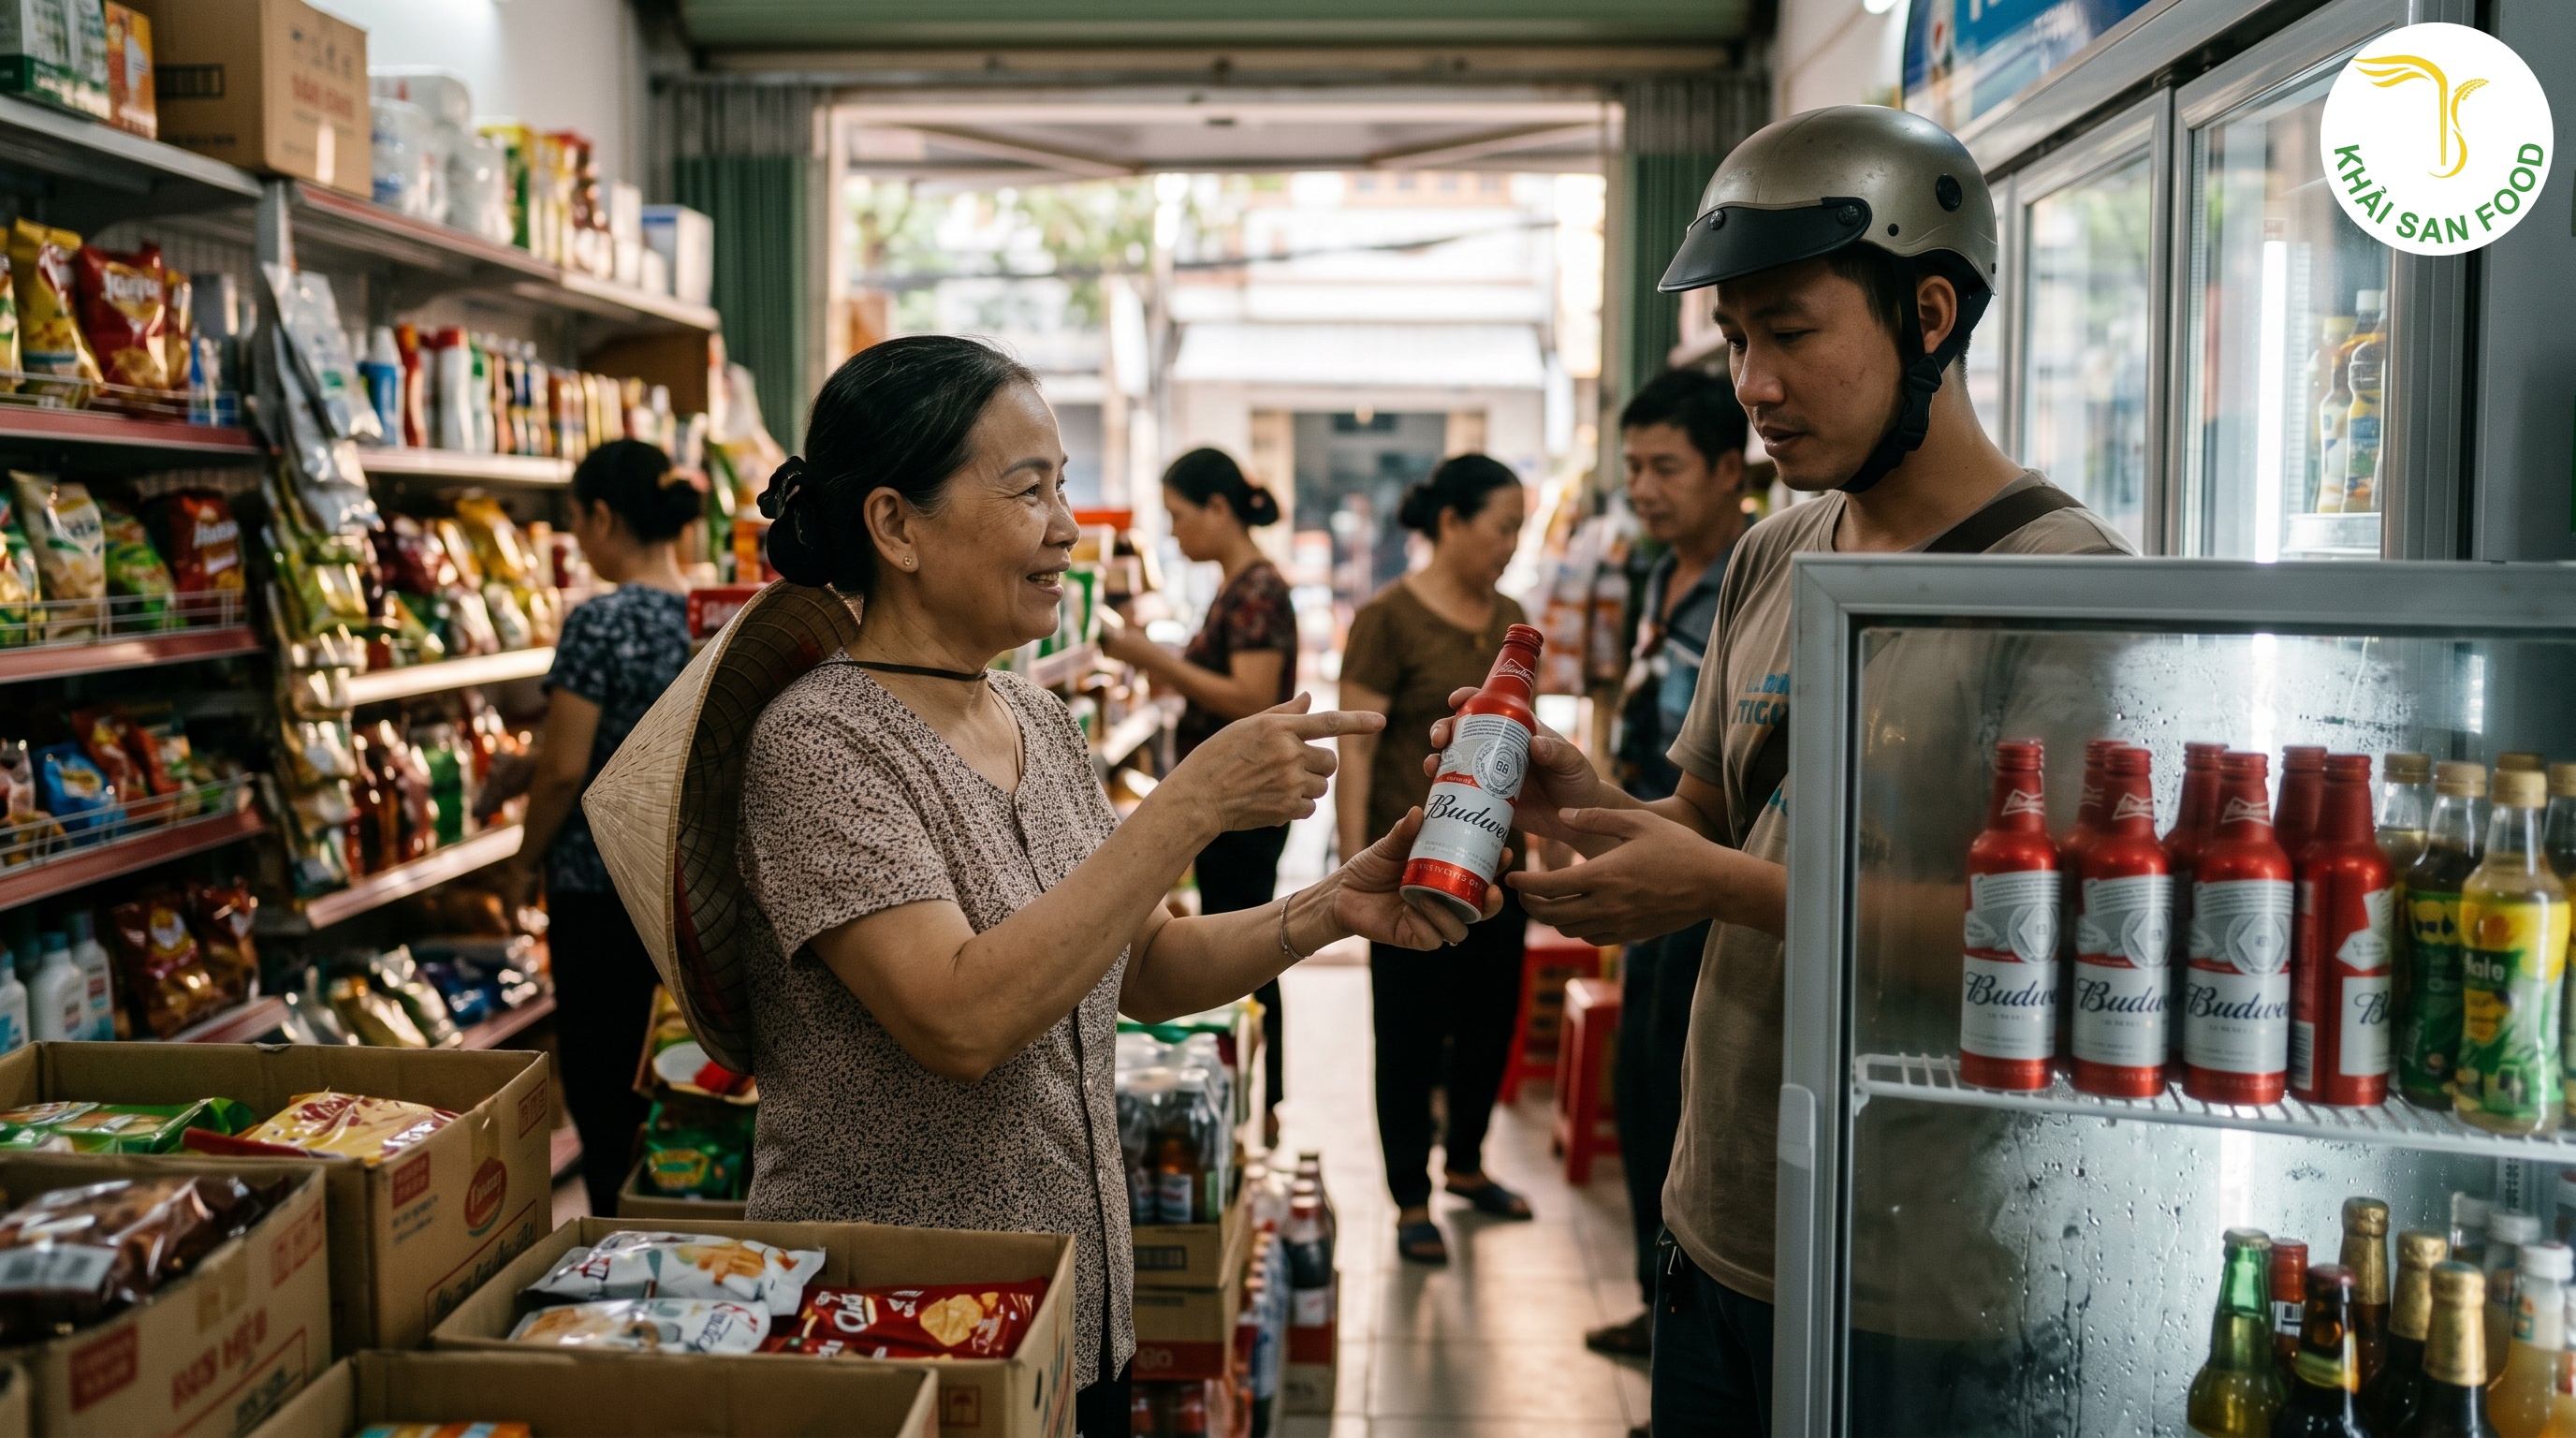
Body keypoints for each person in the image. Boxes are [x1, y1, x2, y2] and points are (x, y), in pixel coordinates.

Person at [1422, 108, 2134, 1437]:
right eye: (1738, 340)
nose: (1752, 384)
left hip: (1925, 1276)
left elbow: (2059, 941)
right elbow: (1712, 817)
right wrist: (1589, 805)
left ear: (1930, 315)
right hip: (1722, 1218)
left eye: (1791, 333)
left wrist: (1720, 889)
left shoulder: (2065, 589)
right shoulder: (1776, 553)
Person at [729, 335, 1498, 1437]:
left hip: (1073, 1314)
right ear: (895, 525)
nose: (1065, 528)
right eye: (1026, 490)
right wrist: (1186, 807)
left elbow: (1143, 963)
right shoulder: (820, 745)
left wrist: (1328, 908)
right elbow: (957, 1019)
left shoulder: (1034, 717)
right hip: (901, 1333)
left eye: (1062, 487)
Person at [1583, 367, 1748, 1361]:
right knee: (1643, 1083)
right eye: (1633, 467)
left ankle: (1688, 1323)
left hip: (1718, 874)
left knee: (1688, 1092)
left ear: (1730, 469)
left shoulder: (1755, 576)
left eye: (1666, 468)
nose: (1643, 489)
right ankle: (1660, 1305)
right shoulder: (1655, 575)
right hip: (1647, 841)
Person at [1335, 452, 1535, 1267]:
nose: (1511, 545)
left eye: (1519, 530)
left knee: (1490, 1020)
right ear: (1450, 522)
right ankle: (1411, 1197)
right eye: (1502, 527)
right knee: (1410, 1034)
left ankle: (1467, 1165)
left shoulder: (1513, 619)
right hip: (1411, 873)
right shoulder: (1387, 618)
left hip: (1500, 867)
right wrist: (1354, 859)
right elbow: (1357, 748)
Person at [500, 439, 701, 1218]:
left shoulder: (598, 623)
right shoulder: (711, 618)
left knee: (606, 1081)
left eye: (577, 521)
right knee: (682, 1076)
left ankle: (618, 1241)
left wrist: (523, 862)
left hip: (599, 891)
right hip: (689, 889)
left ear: (605, 518)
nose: (579, 538)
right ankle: (688, 1214)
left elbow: (565, 770)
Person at [1101, 447, 1298, 1144]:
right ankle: (1252, 1097)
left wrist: (1150, 657)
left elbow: (1250, 696)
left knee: (1247, 947)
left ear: (1219, 508)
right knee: (1239, 939)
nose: (1175, 532)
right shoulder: (1237, 586)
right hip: (1235, 801)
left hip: (1247, 805)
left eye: (1180, 515)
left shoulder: (1257, 591)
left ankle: (1261, 1103)